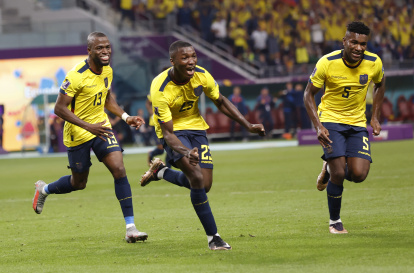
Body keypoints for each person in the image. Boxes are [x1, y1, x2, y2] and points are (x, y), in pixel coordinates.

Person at [139, 40, 265, 250]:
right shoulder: (159, 88)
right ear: (172, 61)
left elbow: (221, 101)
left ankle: (161, 172)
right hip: (174, 133)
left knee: (204, 185)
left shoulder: (202, 75)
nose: (191, 62)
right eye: (185, 58)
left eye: (193, 56)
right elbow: (168, 134)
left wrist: (248, 124)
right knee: (196, 178)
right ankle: (213, 238)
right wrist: (187, 152)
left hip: (197, 129)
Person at [32, 32, 148, 243]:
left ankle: (131, 228)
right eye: (99, 48)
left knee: (119, 169)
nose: (105, 52)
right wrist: (87, 126)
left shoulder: (108, 71)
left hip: (101, 127)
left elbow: (106, 98)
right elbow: (59, 108)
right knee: (79, 183)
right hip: (78, 132)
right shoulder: (75, 75)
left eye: (107, 47)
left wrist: (125, 116)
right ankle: (44, 189)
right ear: (89, 51)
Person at [303, 21, 385, 234]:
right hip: (330, 120)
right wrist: (318, 126)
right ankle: (335, 221)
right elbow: (308, 94)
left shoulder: (374, 62)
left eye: (363, 44)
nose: (359, 47)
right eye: (354, 42)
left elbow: (381, 83)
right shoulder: (327, 63)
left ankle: (328, 168)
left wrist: (374, 117)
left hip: (357, 123)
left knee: (359, 174)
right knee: (340, 172)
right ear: (345, 41)